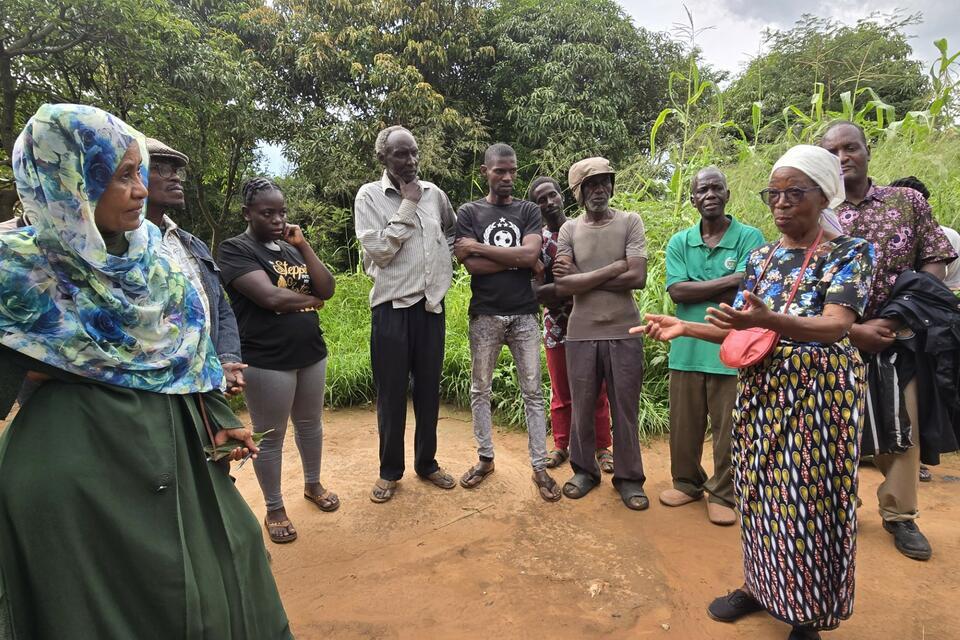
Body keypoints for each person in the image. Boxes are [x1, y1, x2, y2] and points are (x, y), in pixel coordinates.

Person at [0, 103, 290, 639]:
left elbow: (185, 350)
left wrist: (217, 414)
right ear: (69, 183)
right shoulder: (18, 272)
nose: (140, 190)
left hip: (182, 453)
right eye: (122, 176)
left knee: (232, 562)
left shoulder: (153, 258)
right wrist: (51, 369)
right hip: (78, 481)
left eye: (139, 173)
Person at [639, 145, 873, 640]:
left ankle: (806, 612)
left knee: (807, 500)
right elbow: (748, 334)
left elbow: (834, 327)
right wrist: (685, 327)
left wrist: (770, 320)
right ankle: (760, 585)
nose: (781, 203)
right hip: (763, 392)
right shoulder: (764, 256)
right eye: (774, 194)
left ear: (825, 193)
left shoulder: (851, 251)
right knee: (760, 491)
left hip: (818, 397)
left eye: (795, 193)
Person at [820, 122, 958, 560]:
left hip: (898, 337)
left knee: (905, 425)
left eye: (850, 147)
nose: (843, 157)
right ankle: (841, 509)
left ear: (867, 151)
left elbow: (934, 261)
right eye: (833, 151)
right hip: (837, 337)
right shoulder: (820, 211)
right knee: (836, 425)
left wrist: (899, 317)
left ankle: (900, 516)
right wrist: (852, 328)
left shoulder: (907, 202)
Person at [218, 177, 338, 544]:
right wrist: (310, 302)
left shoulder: (289, 248)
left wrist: (304, 245)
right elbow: (269, 298)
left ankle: (313, 485)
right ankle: (274, 507)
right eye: (267, 212)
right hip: (267, 358)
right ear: (247, 213)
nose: (277, 219)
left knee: (310, 425)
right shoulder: (234, 249)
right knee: (270, 436)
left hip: (310, 352)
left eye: (281, 212)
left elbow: (327, 288)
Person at [354, 125, 457, 503]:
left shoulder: (435, 194)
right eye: (401, 154)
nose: (410, 160)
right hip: (391, 310)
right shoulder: (369, 195)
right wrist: (408, 203)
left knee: (429, 391)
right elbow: (379, 251)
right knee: (392, 394)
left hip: (431, 307)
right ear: (383, 158)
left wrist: (443, 263)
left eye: (413, 152)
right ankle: (389, 471)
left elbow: (451, 230)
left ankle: (427, 463)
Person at [454, 143, 560, 502]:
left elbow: (531, 253)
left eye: (512, 170)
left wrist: (480, 247)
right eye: (500, 170)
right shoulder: (469, 212)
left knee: (532, 391)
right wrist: (518, 261)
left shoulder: (528, 209)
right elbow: (472, 267)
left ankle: (539, 466)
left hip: (525, 314)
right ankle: (485, 459)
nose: (508, 177)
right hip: (485, 313)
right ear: (485, 172)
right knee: (480, 389)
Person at [661, 167, 765, 525]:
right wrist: (729, 281)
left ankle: (723, 492)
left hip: (732, 351)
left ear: (727, 194)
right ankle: (687, 482)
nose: (709, 194)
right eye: (702, 189)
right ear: (692, 199)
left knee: (728, 429)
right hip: (686, 347)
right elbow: (676, 291)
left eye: (716, 188)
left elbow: (749, 288)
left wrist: (700, 285)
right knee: (684, 425)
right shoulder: (680, 242)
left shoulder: (750, 237)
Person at [553, 157, 650, 511]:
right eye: (591, 184)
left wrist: (584, 276)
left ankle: (629, 479)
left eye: (604, 182)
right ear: (578, 192)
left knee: (625, 407)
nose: (599, 189)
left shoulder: (630, 222)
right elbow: (563, 286)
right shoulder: (569, 230)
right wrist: (613, 267)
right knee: (581, 405)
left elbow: (637, 277)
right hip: (581, 332)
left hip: (625, 327)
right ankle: (584, 471)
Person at [145, 137, 246, 396]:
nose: (176, 178)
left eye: (177, 171)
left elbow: (221, 307)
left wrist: (224, 360)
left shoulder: (191, 244)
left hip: (204, 386)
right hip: (158, 391)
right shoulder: (116, 251)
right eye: (162, 168)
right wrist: (205, 370)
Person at [528, 176, 614, 473]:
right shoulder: (537, 240)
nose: (549, 202)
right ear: (535, 206)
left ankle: (603, 446)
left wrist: (567, 285)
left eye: (552, 195)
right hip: (555, 323)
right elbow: (538, 293)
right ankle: (561, 445)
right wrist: (572, 286)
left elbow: (593, 276)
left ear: (563, 196)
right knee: (560, 388)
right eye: (541, 199)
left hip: (590, 319)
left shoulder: (582, 229)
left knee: (598, 387)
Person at [888, 176, 960, 483]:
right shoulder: (881, 230)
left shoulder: (947, 239)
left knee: (918, 403)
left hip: (924, 328)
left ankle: (915, 463)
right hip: (875, 324)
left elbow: (951, 288)